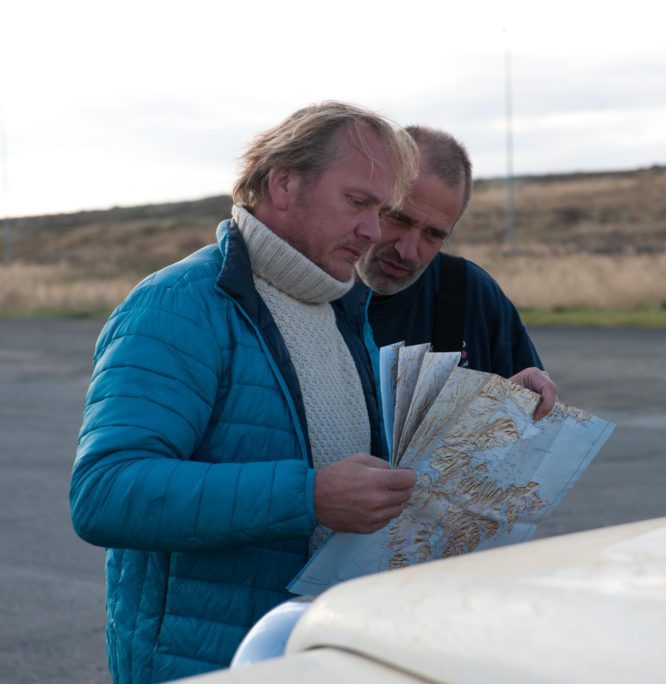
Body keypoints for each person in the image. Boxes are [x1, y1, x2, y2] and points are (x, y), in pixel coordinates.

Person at [69, 102, 419, 683]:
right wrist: (307, 497)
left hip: (321, 653)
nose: (374, 232)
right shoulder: (178, 304)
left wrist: (495, 409)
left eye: (382, 211)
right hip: (208, 664)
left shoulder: (340, 309)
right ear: (283, 183)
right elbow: (105, 492)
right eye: (357, 202)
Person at [353, 126, 556, 417]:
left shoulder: (469, 294)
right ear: (367, 199)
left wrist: (512, 405)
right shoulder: (306, 291)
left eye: (433, 234)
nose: (408, 250)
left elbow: (522, 438)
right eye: (398, 218)